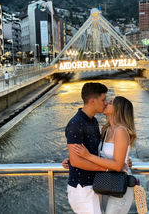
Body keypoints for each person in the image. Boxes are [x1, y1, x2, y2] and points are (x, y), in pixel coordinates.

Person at [72, 96, 137, 214]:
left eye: (111, 103)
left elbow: (117, 166)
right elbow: (101, 156)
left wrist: (87, 156)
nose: (106, 103)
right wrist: (74, 158)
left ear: (119, 109)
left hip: (120, 186)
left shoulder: (121, 131)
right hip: (106, 183)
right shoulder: (106, 130)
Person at [65, 82, 108, 214]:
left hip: (94, 184)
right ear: (92, 101)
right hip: (82, 188)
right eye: (103, 99)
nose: (106, 103)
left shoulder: (93, 121)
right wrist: (106, 168)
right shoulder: (75, 124)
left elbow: (93, 151)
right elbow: (76, 161)